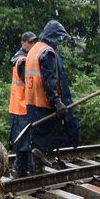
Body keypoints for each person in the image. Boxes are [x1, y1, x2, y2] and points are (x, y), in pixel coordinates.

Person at [24, 20, 79, 172]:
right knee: (52, 136)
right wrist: (57, 102)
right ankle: (43, 162)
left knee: (38, 139)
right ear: (53, 37)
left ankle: (39, 171)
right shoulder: (47, 52)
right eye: (59, 39)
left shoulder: (34, 50)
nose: (59, 42)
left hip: (32, 103)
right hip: (45, 103)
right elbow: (50, 80)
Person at [8, 32, 37, 175]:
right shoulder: (23, 61)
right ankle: (26, 169)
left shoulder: (20, 59)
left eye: (34, 42)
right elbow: (31, 83)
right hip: (24, 106)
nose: (32, 45)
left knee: (22, 139)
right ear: (23, 43)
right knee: (27, 140)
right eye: (30, 42)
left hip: (18, 105)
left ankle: (21, 169)